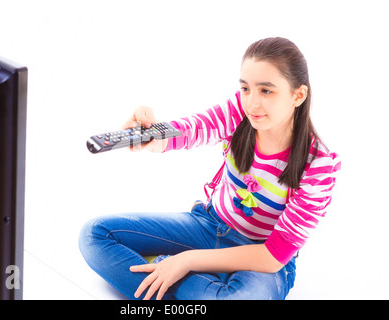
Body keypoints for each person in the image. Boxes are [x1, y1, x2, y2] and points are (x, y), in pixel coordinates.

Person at [79, 37, 341, 300]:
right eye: (245, 88)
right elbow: (194, 129)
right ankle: (186, 282)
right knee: (94, 235)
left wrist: (187, 261)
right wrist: (152, 137)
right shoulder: (240, 112)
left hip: (261, 259)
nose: (252, 103)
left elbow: (273, 257)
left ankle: (169, 271)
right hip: (210, 226)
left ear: (298, 95)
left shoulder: (318, 166)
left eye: (266, 90)